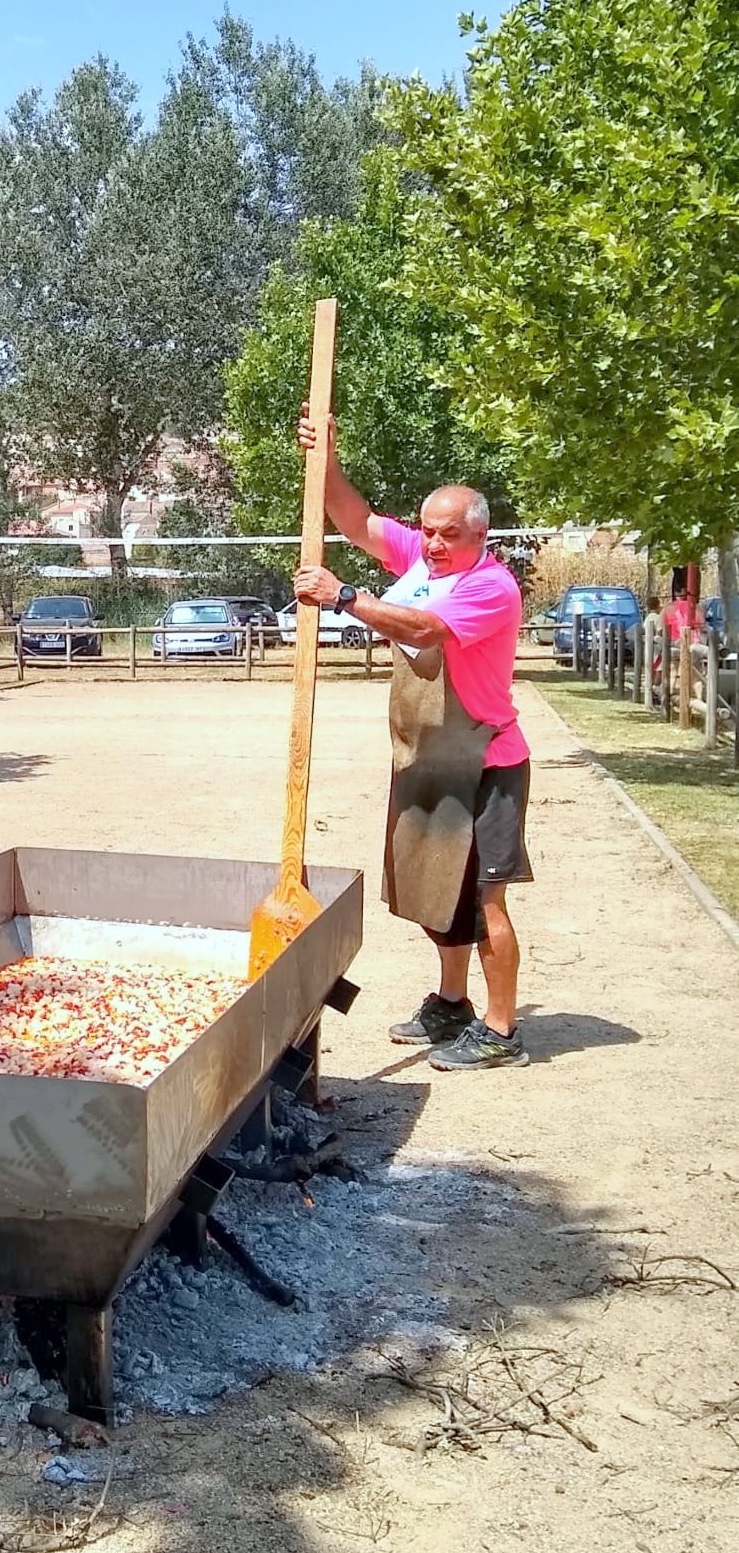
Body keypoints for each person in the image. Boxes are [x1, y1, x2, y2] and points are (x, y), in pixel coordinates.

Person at [293, 408, 532, 1071]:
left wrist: (344, 597)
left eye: (446, 535)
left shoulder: (489, 586)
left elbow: (424, 629)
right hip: (429, 758)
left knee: (485, 899)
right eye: (425, 531)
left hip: (485, 762)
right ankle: (451, 1004)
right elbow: (356, 521)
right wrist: (327, 457)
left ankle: (503, 1030)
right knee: (438, 891)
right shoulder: (424, 559)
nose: (430, 544)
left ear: (478, 535)